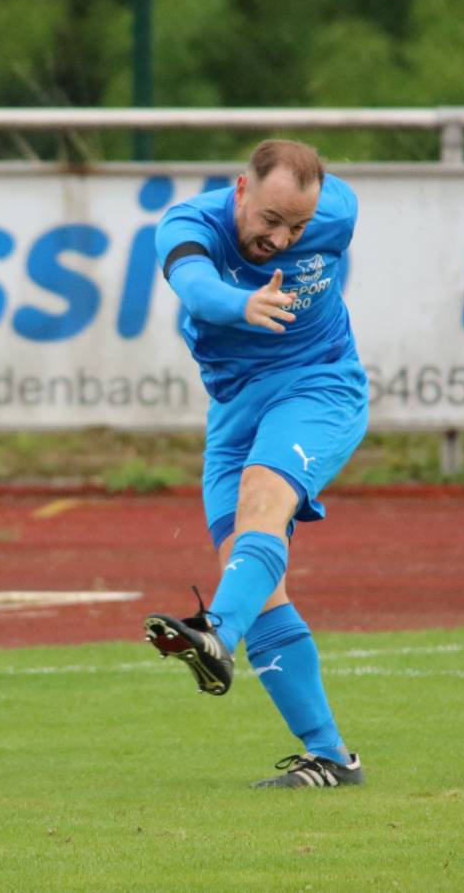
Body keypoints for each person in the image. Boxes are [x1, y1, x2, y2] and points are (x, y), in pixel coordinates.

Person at [143, 139, 367, 789]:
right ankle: (329, 756)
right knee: (253, 571)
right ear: (240, 189)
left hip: (319, 386)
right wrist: (241, 304)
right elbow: (194, 286)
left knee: (262, 500)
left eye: (296, 226)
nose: (281, 237)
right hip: (236, 409)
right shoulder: (188, 224)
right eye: (270, 219)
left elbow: (322, 214)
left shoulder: (338, 211)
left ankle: (215, 631)